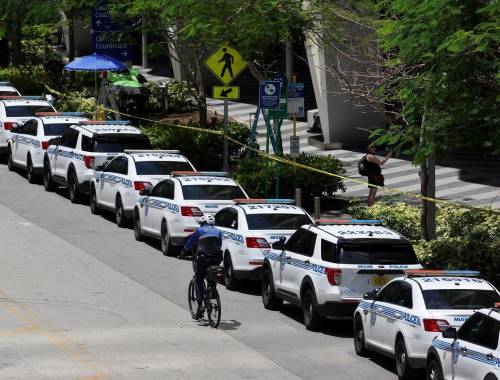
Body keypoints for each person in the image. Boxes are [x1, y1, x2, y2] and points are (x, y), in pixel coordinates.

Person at [182, 214, 222, 319]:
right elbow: (219, 245)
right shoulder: (218, 231)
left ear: (202, 223)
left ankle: (200, 306)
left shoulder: (199, 231)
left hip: (203, 259)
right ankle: (212, 290)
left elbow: (190, 243)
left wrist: (183, 252)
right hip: (216, 259)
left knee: (198, 279)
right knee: (212, 276)